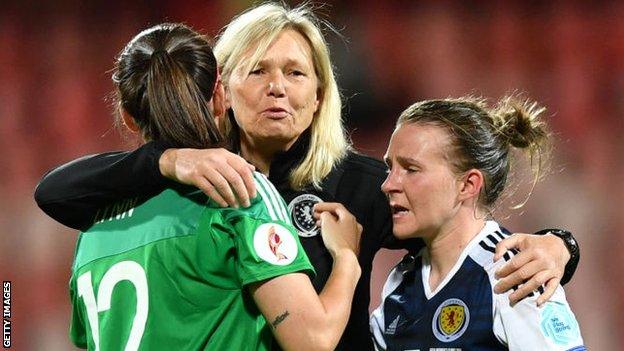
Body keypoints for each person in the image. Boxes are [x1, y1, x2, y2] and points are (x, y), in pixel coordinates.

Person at [34, 3, 580, 350]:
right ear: (221, 89)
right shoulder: (194, 186)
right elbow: (54, 192)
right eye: (259, 71)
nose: (279, 87)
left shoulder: (360, 185)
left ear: (320, 96)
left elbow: (461, 221)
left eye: (296, 73)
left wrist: (560, 247)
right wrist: (168, 160)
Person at [63, 22, 363, 351]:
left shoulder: (92, 231)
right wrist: (347, 257)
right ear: (221, 96)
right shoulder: (240, 192)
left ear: (128, 117)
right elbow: (313, 341)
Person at [370, 96, 585, 350]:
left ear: (467, 185)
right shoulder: (400, 286)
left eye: (411, 169)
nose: (388, 184)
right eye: (390, 168)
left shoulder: (514, 273)